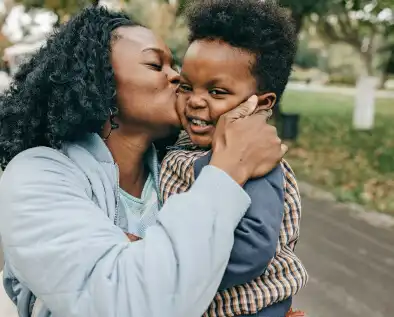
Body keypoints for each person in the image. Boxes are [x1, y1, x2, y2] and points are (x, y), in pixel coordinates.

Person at [0, 6, 286, 317]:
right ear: (100, 84)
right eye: (155, 64)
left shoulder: (179, 170)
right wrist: (229, 170)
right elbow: (127, 302)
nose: (177, 77)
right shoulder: (37, 175)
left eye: (174, 65)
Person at [159, 1, 308, 316]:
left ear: (259, 103)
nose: (195, 101)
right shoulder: (184, 145)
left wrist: (162, 265)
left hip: (251, 310)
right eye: (186, 86)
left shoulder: (257, 163)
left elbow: (250, 252)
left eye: (217, 93)